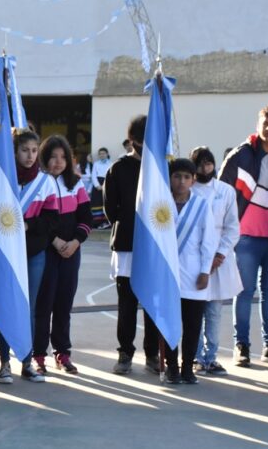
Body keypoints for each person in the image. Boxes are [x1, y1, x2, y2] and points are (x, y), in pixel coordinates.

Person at [219, 104, 268, 368]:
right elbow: (221, 193)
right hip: (247, 236)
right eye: (265, 123)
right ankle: (241, 345)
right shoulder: (241, 155)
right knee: (244, 291)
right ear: (258, 124)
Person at [0, 130, 58, 384]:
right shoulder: (3, 179)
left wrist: (27, 225)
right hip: (5, 253)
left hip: (33, 253)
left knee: (28, 307)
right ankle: (4, 363)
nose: (30, 155)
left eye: (34, 150)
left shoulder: (45, 182)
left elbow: (52, 219)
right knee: (4, 305)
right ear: (14, 152)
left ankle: (26, 361)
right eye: (24, 150)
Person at [103, 115, 161, 375]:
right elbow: (110, 209)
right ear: (134, 140)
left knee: (152, 304)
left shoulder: (161, 167)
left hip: (154, 248)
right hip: (126, 245)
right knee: (127, 304)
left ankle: (153, 354)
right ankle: (125, 353)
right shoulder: (118, 168)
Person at [33, 135, 91, 377]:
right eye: (52, 157)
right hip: (46, 252)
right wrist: (55, 241)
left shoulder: (76, 184)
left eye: (62, 157)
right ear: (44, 159)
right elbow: (35, 220)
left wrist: (75, 242)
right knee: (43, 304)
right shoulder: (37, 184)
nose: (57, 162)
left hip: (71, 253)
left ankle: (62, 352)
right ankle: (38, 354)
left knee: (64, 304)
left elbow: (87, 219)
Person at [164, 158, 217, 384]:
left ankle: (187, 367)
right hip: (167, 273)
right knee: (169, 323)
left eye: (187, 177)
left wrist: (205, 270)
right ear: (170, 178)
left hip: (194, 272)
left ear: (193, 180)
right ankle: (171, 367)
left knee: (193, 324)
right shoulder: (161, 203)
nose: (181, 181)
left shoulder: (201, 205)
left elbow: (209, 241)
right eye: (177, 176)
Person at [190, 147, 242, 376]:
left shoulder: (225, 191)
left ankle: (211, 357)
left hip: (219, 260)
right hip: (192, 257)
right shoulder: (188, 189)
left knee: (214, 312)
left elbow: (232, 227)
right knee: (194, 311)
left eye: (208, 163)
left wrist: (219, 255)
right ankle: (195, 355)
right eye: (200, 163)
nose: (205, 168)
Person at [90, 147, 111, 229]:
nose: (102, 155)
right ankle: (97, 223)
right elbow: (93, 175)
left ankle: (106, 223)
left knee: (106, 203)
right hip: (97, 186)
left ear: (107, 154)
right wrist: (97, 185)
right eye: (100, 154)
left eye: (103, 153)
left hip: (107, 184)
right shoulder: (96, 164)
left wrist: (106, 185)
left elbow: (111, 175)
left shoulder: (111, 163)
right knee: (97, 203)